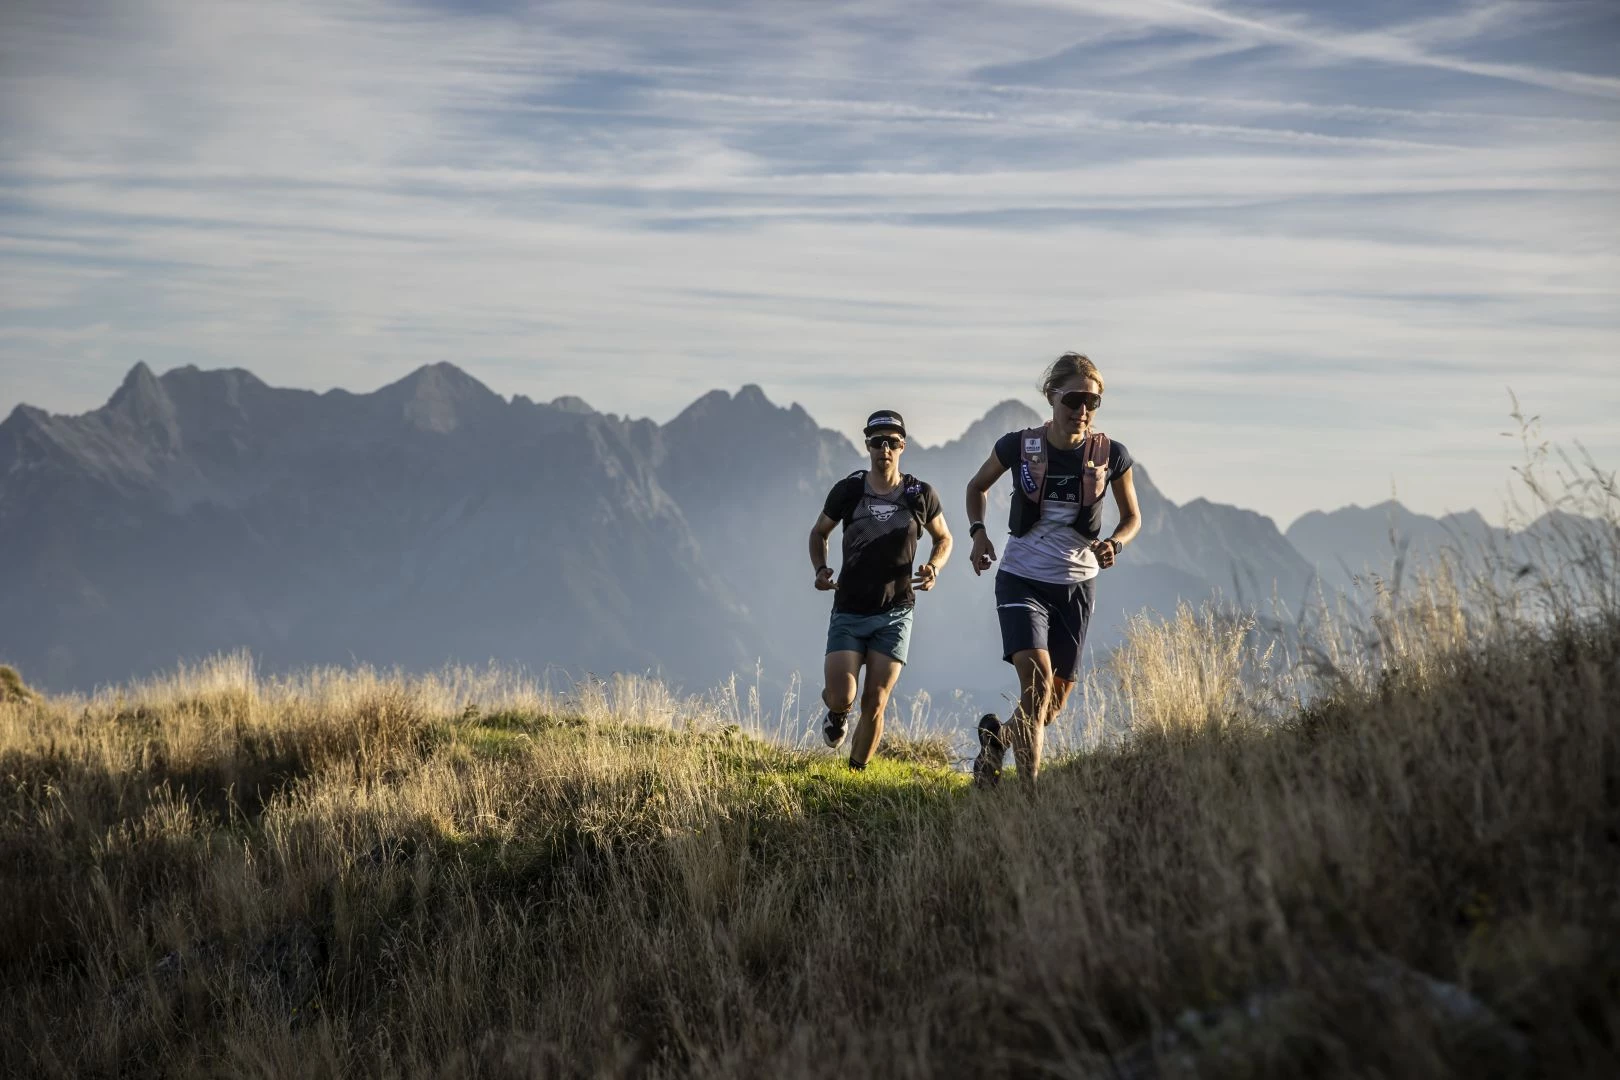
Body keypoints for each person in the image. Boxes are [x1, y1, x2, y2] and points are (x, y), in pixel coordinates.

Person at [964, 353, 1141, 786]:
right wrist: (979, 534)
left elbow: (1132, 517)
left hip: (1077, 587)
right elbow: (976, 486)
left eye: (1092, 402)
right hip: (1022, 577)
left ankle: (999, 739)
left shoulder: (1111, 455)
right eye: (1074, 399)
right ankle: (1030, 799)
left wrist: (1115, 542)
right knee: (1038, 681)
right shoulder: (1017, 446)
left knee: (1050, 707)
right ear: (1052, 397)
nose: (1082, 410)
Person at [809, 410, 952, 770]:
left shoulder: (920, 494)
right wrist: (821, 569)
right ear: (868, 446)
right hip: (849, 609)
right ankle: (836, 712)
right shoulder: (849, 490)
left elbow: (944, 538)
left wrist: (934, 567)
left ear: (903, 446)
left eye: (891, 442)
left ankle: (855, 774)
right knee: (844, 696)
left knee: (875, 701)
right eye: (877, 442)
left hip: (896, 613)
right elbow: (818, 533)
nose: (884, 448)